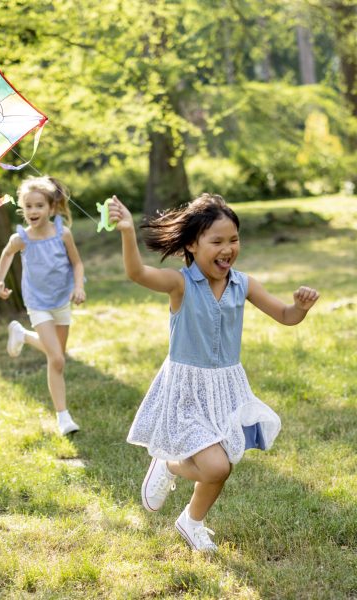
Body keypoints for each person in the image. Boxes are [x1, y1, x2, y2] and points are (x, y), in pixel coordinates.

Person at [108, 192, 319, 552]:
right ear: (192, 243)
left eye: (233, 239)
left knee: (222, 465)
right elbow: (136, 272)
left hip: (227, 389)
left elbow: (285, 316)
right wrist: (127, 230)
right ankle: (170, 465)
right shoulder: (180, 284)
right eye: (217, 241)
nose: (228, 248)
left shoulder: (244, 284)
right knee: (217, 468)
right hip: (187, 389)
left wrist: (299, 307)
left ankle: (192, 522)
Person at [0, 176, 86, 435]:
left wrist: (79, 287)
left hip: (61, 301)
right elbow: (7, 253)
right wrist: (0, 280)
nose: (33, 211)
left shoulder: (63, 233)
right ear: (22, 209)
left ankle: (22, 335)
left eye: (39, 206)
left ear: (51, 208)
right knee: (56, 357)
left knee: (57, 358)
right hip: (37, 303)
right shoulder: (21, 237)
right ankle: (63, 417)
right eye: (28, 206)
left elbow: (77, 264)